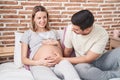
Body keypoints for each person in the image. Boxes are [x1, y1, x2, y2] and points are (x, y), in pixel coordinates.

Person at [20, 5, 81, 80]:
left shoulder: (54, 32)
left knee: (74, 77)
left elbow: (61, 53)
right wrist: (39, 62)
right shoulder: (28, 33)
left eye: (44, 17)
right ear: (33, 19)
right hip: (40, 65)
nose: (42, 20)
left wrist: (56, 43)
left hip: (59, 62)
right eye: (39, 18)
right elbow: (23, 59)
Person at [63, 10, 120, 80]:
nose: (72, 29)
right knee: (80, 69)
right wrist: (63, 62)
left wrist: (62, 59)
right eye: (72, 26)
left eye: (76, 29)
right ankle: (113, 74)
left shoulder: (102, 33)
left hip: (101, 59)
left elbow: (88, 58)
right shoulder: (70, 29)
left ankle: (103, 74)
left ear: (87, 30)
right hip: (83, 63)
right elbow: (68, 50)